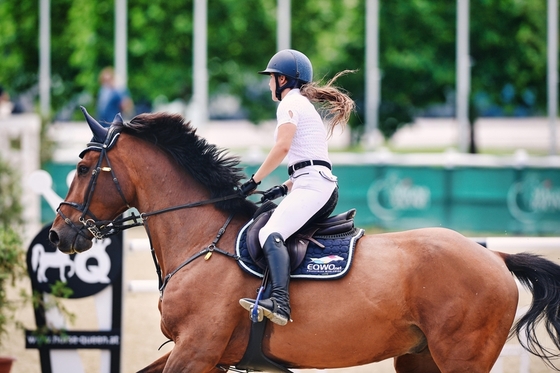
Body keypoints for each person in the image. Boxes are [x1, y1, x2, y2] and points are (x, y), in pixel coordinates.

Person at [238, 49, 355, 326]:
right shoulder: (303, 105)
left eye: (271, 78)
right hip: (311, 183)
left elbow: (283, 147)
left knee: (270, 233)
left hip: (314, 187)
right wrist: (281, 188)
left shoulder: (289, 104)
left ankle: (279, 302)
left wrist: (254, 180)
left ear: (282, 80)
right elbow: (308, 161)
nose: (268, 84)